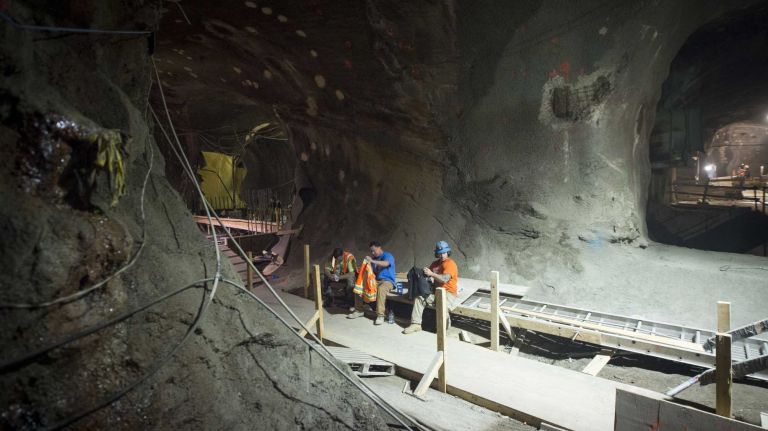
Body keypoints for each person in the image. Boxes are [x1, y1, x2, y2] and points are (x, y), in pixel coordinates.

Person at [402, 241, 459, 334]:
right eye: (440, 253)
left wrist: (432, 274)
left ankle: (444, 329)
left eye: (444, 253)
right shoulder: (435, 264)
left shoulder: (450, 263)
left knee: (442, 306)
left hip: (448, 293)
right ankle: (416, 324)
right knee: (419, 298)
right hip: (436, 291)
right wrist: (423, 274)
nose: (442, 255)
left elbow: (445, 279)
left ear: (448, 252)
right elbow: (428, 276)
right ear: (437, 253)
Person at [347, 241, 396, 325]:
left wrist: (372, 261)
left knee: (381, 289)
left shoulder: (387, 255)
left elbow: (386, 263)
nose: (373, 252)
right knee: (359, 286)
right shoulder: (374, 258)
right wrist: (365, 266)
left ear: (379, 247)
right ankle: (359, 310)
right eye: (371, 251)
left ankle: (380, 315)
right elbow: (371, 273)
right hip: (376, 281)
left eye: (374, 250)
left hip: (388, 281)